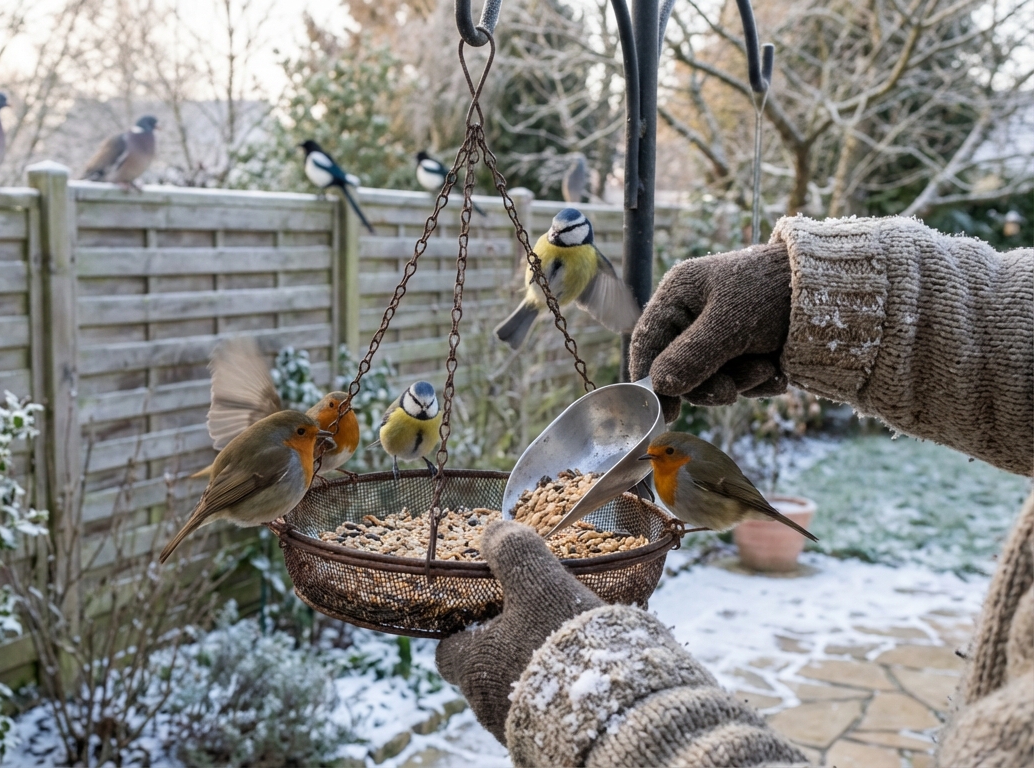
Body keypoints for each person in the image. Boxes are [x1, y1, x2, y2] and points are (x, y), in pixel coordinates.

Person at [436, 215, 1034, 767]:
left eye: (661, 454)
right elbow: (1005, 343)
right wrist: (804, 294)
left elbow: (731, 496)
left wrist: (600, 698)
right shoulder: (667, 463)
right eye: (654, 455)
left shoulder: (689, 470)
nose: (652, 458)